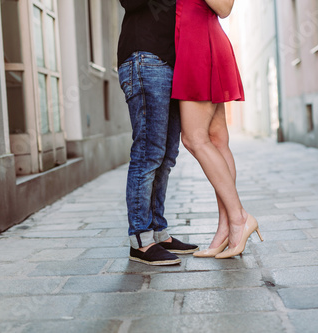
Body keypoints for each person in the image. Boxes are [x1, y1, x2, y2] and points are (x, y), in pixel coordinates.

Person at [172, 0, 264, 259]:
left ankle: (239, 218)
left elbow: (225, 7)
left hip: (200, 46)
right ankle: (226, 228)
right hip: (195, 44)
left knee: (194, 139)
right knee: (216, 140)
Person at [117, 0, 199, 266]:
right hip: (145, 59)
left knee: (166, 156)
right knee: (147, 154)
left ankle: (158, 230)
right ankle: (140, 239)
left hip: (172, 66)